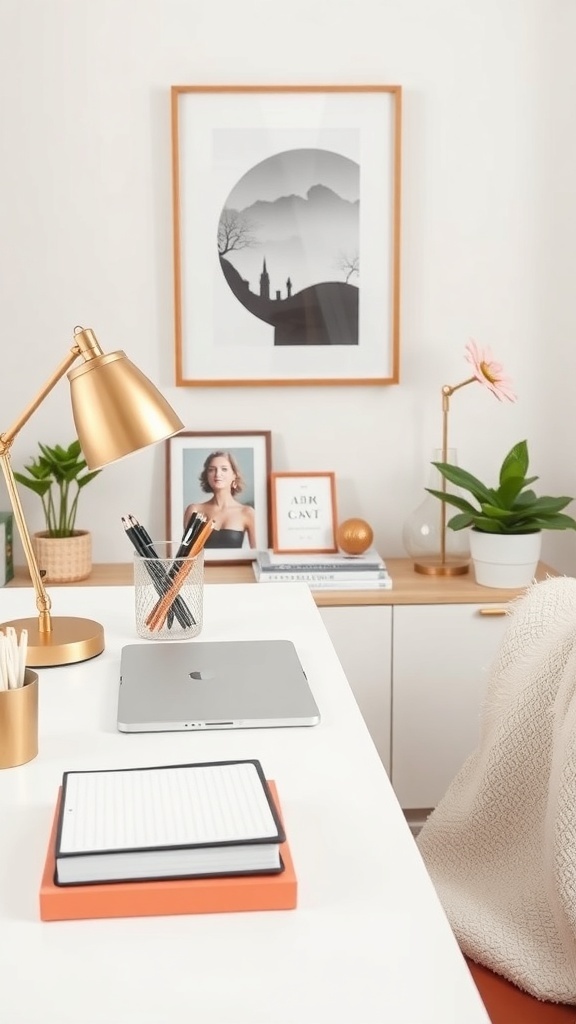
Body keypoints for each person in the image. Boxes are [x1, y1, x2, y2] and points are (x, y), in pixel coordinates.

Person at [184, 451, 256, 549]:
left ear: (234, 475)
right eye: (212, 470)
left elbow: (257, 556)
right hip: (202, 565)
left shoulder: (247, 512)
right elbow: (186, 556)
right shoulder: (194, 510)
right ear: (207, 475)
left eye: (224, 469)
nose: (218, 474)